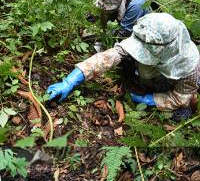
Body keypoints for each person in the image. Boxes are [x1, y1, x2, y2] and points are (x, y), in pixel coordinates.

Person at [46, 13, 200, 119]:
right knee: (133, 66)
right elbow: (109, 57)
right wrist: (71, 80)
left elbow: (180, 97)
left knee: (182, 109)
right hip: (149, 74)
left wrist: (148, 100)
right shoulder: (144, 37)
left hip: (171, 84)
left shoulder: (189, 66)